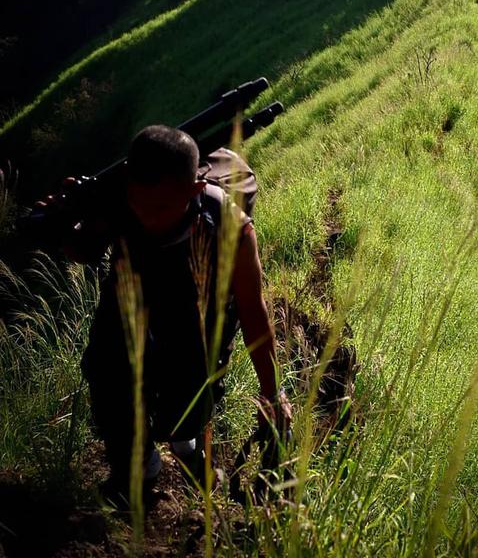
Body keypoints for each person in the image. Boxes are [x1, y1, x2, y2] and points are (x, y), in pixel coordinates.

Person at [38, 124, 291, 503]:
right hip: (129, 298)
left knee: (189, 392)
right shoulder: (120, 202)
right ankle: (139, 468)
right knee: (107, 374)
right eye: (138, 203)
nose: (146, 217)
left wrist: (272, 394)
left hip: (197, 307)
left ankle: (186, 448)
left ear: (194, 191)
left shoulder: (228, 225)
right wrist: (60, 225)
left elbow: (255, 313)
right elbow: (83, 249)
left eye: (160, 207)